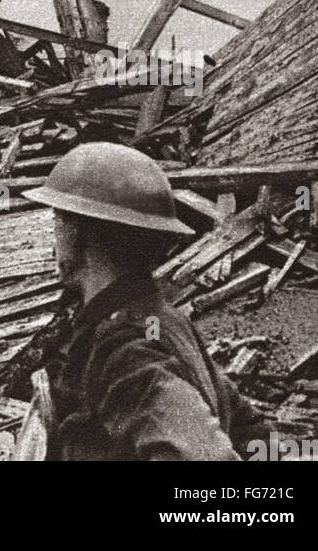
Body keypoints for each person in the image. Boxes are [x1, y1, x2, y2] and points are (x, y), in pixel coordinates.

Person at [23, 142, 263, 461]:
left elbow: (205, 455)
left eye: (57, 219)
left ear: (76, 230)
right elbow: (250, 430)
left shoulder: (126, 351)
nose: (54, 237)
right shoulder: (164, 321)